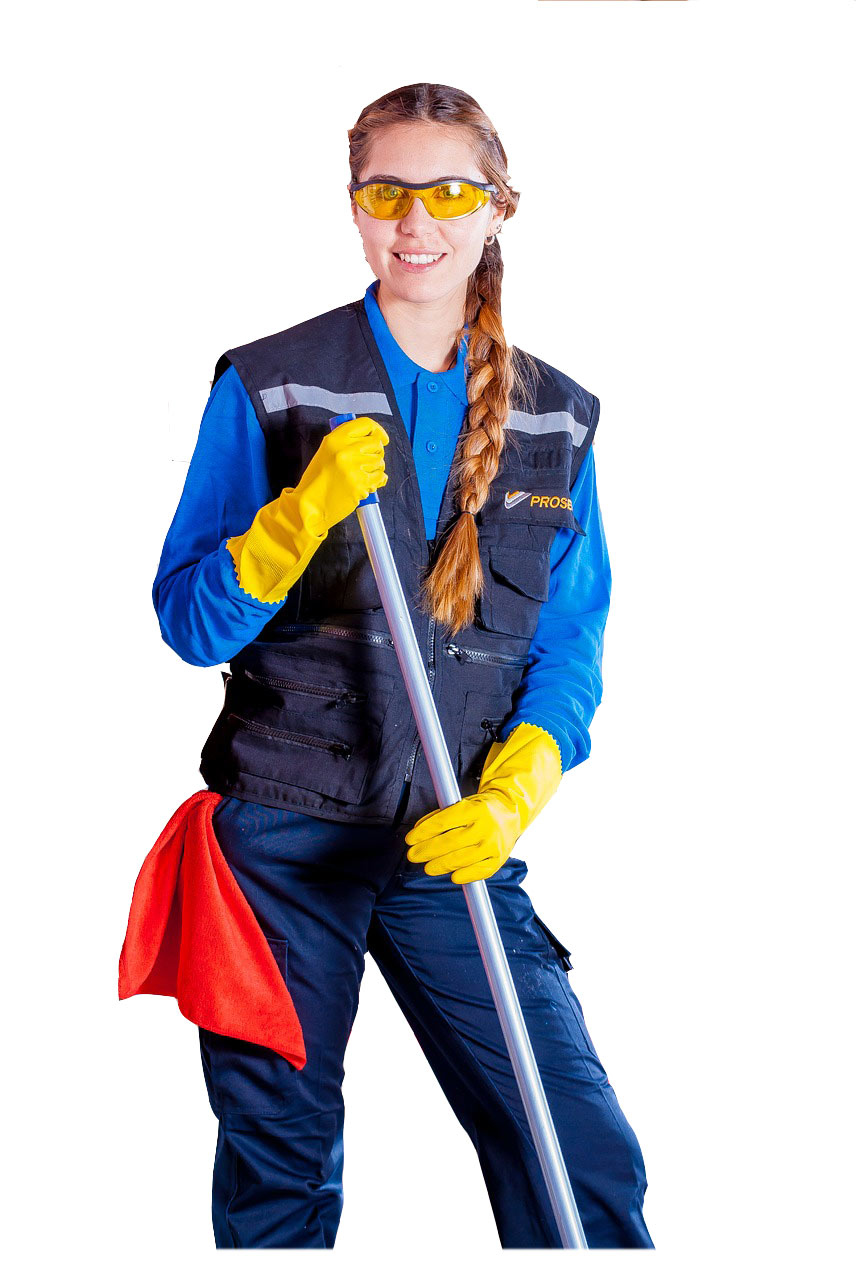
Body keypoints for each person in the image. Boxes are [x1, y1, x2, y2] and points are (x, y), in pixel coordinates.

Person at [146, 82, 654, 1249]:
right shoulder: (273, 384)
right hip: (278, 841)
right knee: (279, 1161)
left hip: (447, 834)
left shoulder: (556, 419)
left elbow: (568, 648)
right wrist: (292, 520)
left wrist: (515, 789)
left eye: (448, 193)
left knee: (574, 1145)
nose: (414, 222)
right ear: (354, 204)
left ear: (498, 208)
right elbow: (189, 621)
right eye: (385, 194)